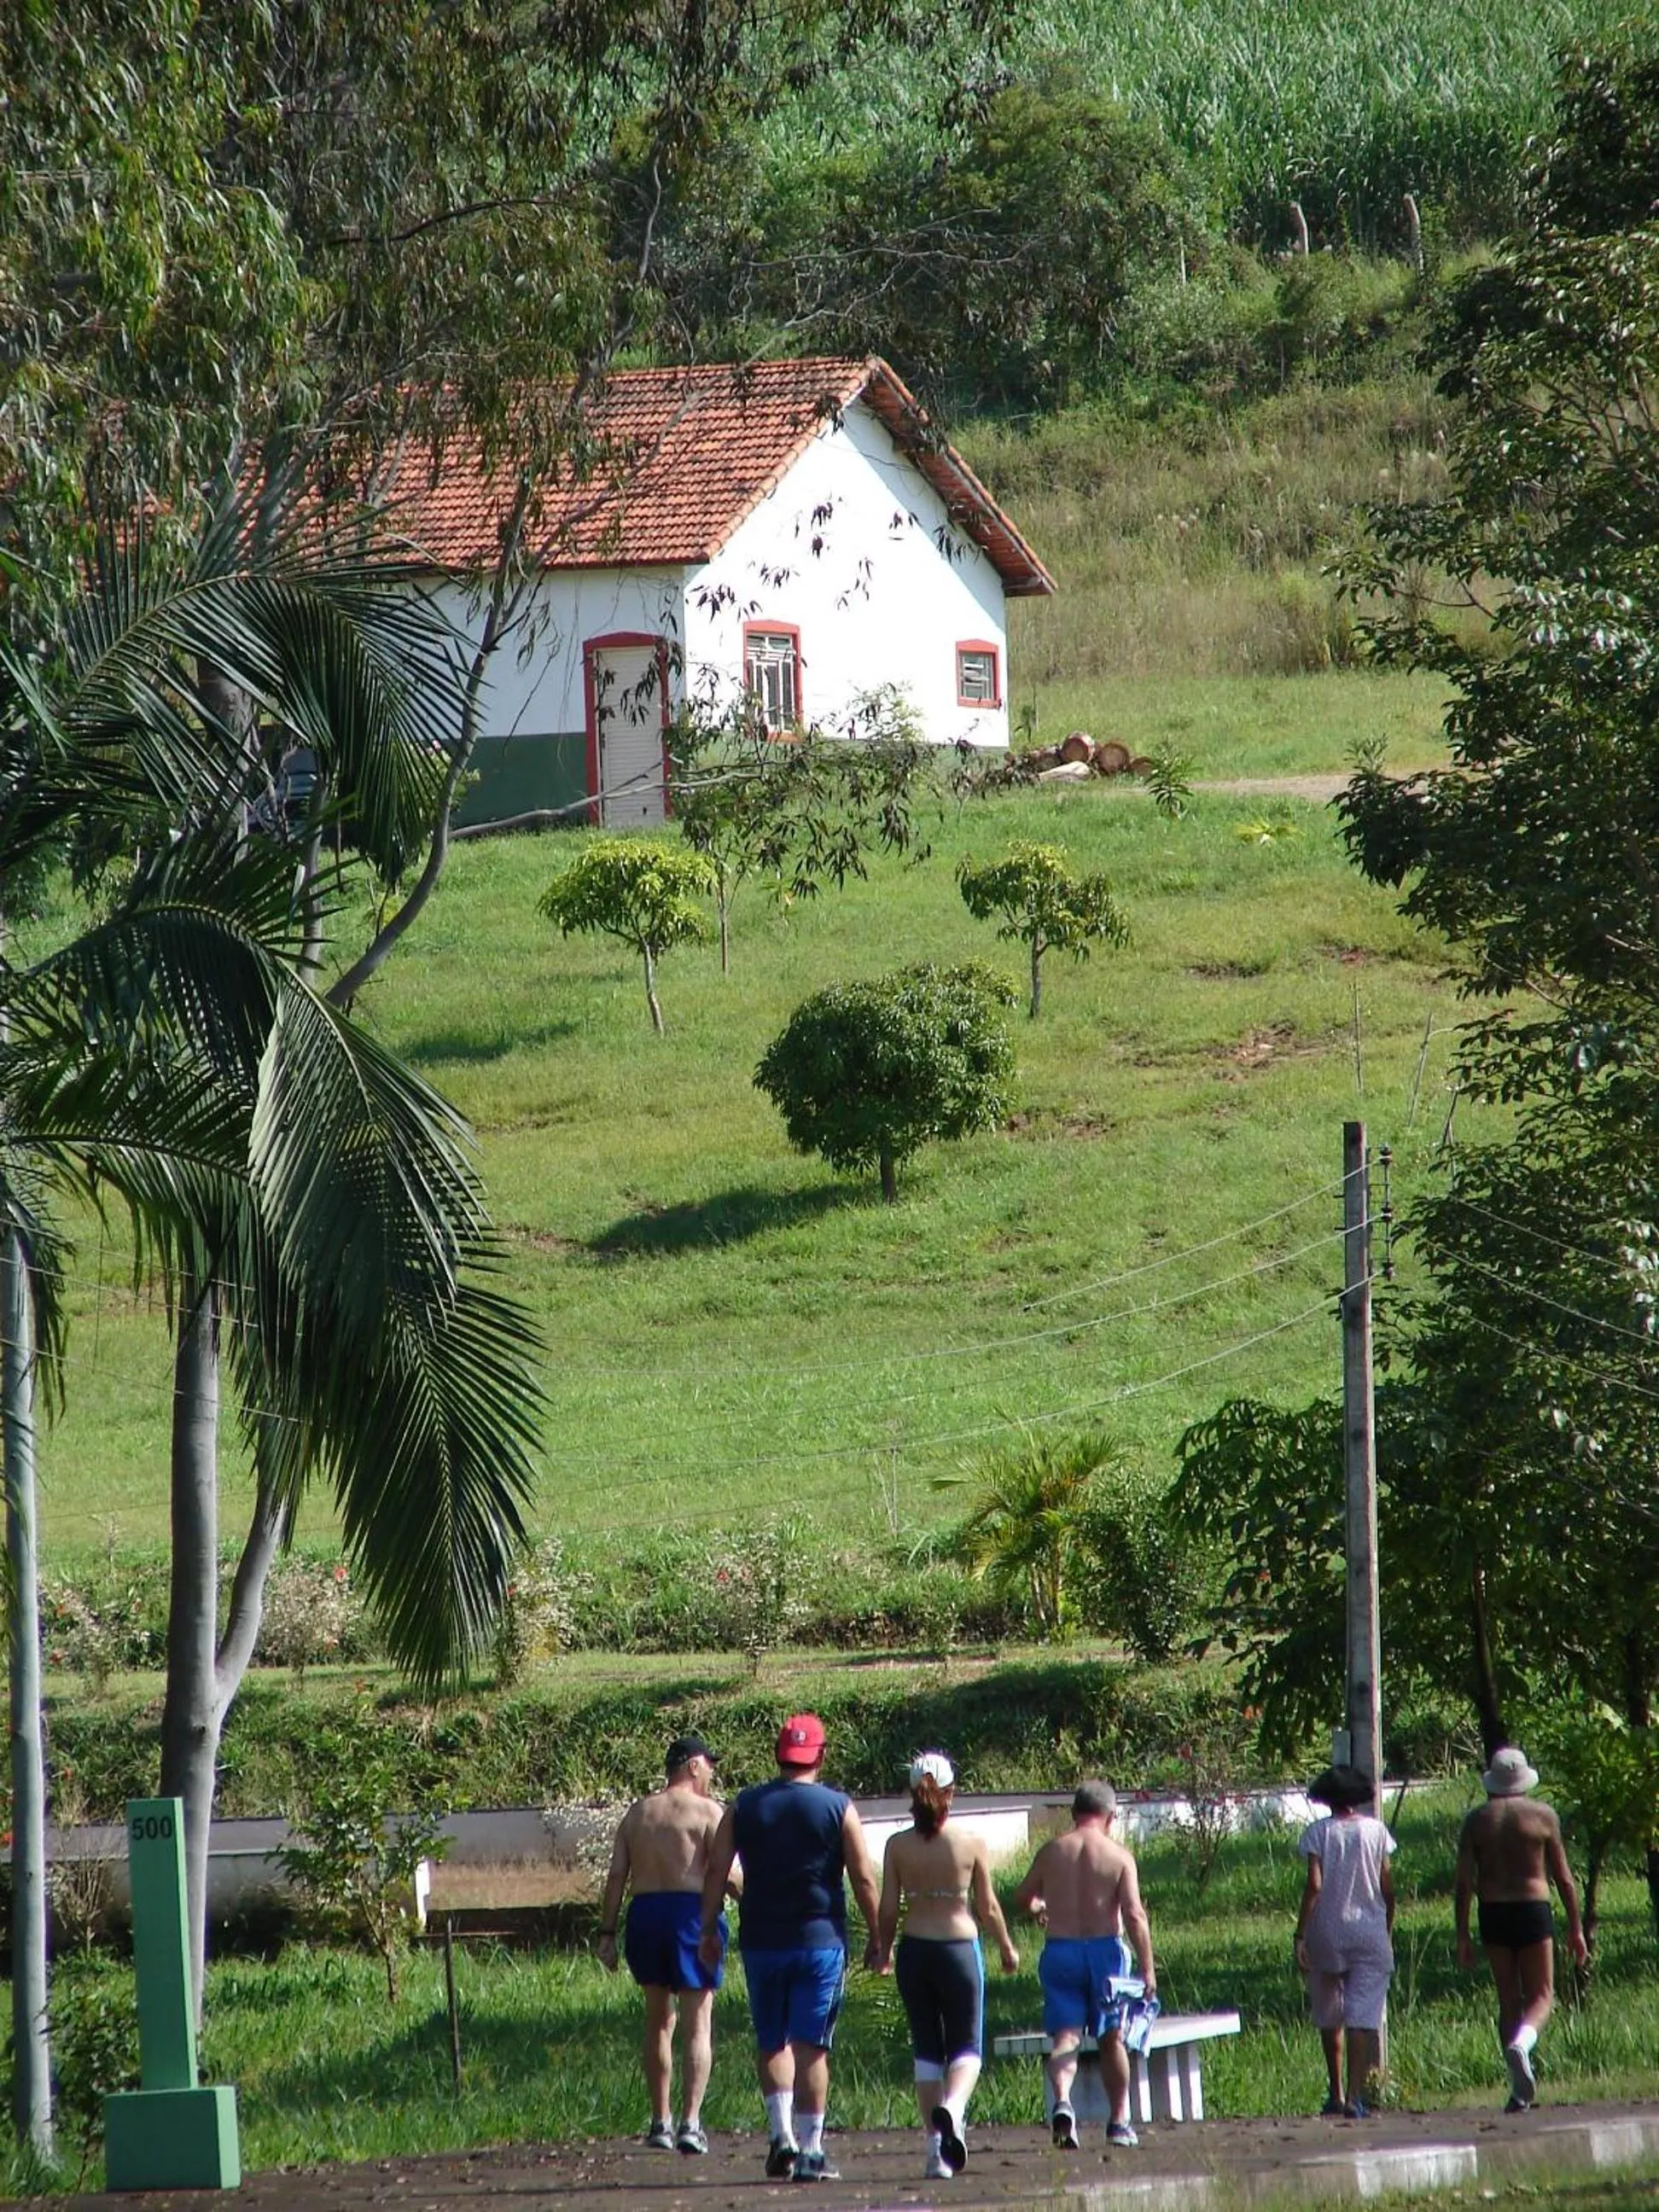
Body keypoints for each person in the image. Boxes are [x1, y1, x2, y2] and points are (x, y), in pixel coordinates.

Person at [699, 1713, 882, 2184]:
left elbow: (716, 1870)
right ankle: (812, 2150)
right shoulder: (838, 1807)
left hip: (762, 1941)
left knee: (772, 2040)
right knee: (812, 2047)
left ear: (779, 1755)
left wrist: (707, 1930)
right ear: (821, 1755)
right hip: (820, 1942)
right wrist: (880, 1934)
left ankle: (781, 2137)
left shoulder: (744, 1806)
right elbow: (863, 1877)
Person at [872, 1750, 1021, 2181]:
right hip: (958, 1949)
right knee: (967, 2048)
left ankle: (936, 2153)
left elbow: (888, 1907)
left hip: (915, 1950)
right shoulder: (969, 1843)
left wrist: (883, 1949)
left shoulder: (897, 1846)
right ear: (950, 1793)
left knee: (927, 2051)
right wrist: (1007, 1947)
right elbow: (987, 1907)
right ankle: (953, 2110)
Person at [596, 1732, 733, 2154]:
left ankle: (660, 2121)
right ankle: (691, 2123)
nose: (711, 1774)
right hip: (691, 1915)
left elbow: (616, 1876)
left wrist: (606, 1932)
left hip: (646, 1915)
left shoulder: (638, 1814)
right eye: (709, 1766)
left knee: (658, 2021)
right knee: (698, 2022)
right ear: (693, 1765)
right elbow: (728, 1873)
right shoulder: (708, 1811)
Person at [1012, 1779, 1156, 2151]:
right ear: (1111, 1816)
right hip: (1106, 1951)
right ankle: (1119, 2121)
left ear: (1075, 1813)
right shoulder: (1119, 1857)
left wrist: (1039, 1908)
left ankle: (1063, 2101)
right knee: (1112, 2038)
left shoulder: (1052, 1852)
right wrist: (1147, 1968)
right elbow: (1134, 1915)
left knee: (1066, 2037)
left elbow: (1023, 1896)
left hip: (1061, 1951)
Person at [1454, 1744, 1587, 2112]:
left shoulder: (1477, 1821)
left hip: (1493, 1910)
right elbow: (1564, 1878)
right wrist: (1576, 1927)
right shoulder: (1543, 1816)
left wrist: (1462, 1933)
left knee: (1509, 2000)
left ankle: (1518, 2091)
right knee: (1543, 1996)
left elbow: (1464, 1882)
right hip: (1532, 1908)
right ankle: (1523, 2045)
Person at [1293, 1764, 1395, 2118]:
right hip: (1369, 1930)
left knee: (1329, 2012)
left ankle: (1334, 2091)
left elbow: (1314, 1886)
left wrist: (1300, 1933)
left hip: (1326, 1930)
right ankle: (1355, 2096)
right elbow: (1388, 1887)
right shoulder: (1377, 1831)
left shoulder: (1318, 1833)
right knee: (1362, 2014)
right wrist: (1386, 1926)